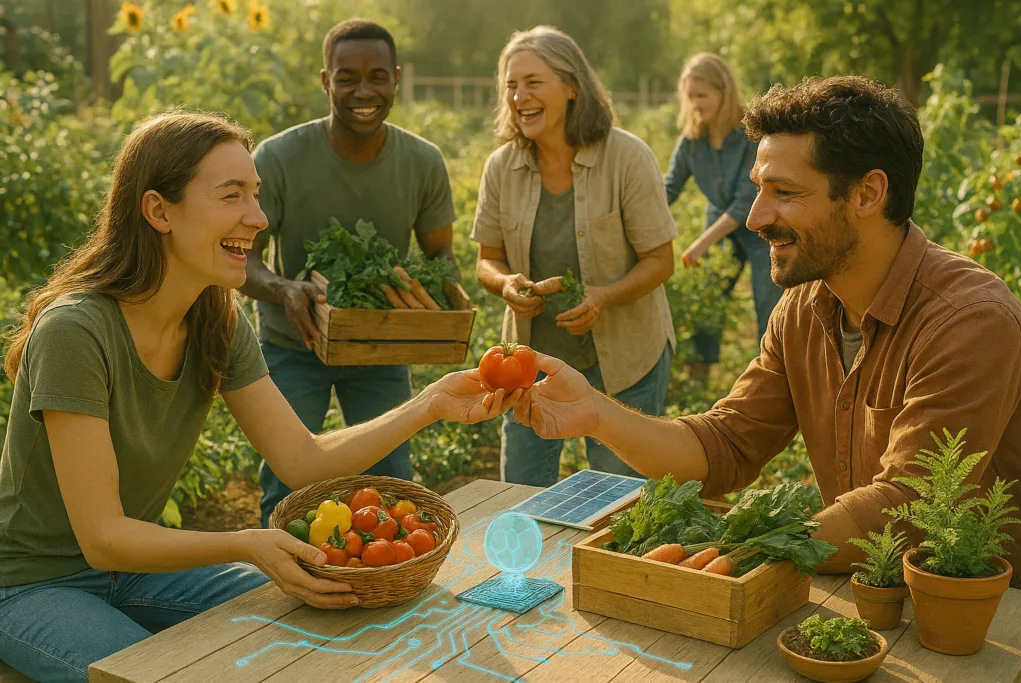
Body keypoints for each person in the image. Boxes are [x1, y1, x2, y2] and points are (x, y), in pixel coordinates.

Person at [0, 111, 514, 683]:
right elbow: (103, 539)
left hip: (139, 570)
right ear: (158, 211)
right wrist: (246, 543)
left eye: (256, 194)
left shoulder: (216, 319)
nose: (259, 217)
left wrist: (431, 403)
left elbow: (302, 460)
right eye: (231, 195)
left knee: (323, 618)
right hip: (32, 584)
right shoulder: (76, 331)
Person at [511, 76, 1021, 584]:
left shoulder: (968, 320)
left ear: (867, 193)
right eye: (759, 188)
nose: (755, 217)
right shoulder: (804, 308)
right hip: (868, 585)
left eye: (785, 192)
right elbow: (727, 446)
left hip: (988, 610)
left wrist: (743, 545)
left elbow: (907, 508)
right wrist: (595, 412)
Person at [240, 19, 458, 527]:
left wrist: (433, 300)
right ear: (326, 81)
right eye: (347, 78)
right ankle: (279, 573)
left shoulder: (422, 161)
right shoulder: (277, 158)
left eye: (378, 77)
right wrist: (284, 288)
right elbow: (244, 257)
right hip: (294, 343)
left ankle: (382, 568)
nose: (364, 91)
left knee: (391, 484)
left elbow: (440, 252)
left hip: (381, 348)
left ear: (396, 78)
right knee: (286, 488)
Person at [471, 26, 678, 488]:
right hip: (527, 367)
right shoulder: (501, 167)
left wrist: (604, 296)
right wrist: (505, 284)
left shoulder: (626, 157)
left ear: (571, 87)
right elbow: (487, 260)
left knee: (617, 496)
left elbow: (660, 260)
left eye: (533, 82)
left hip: (624, 359)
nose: (519, 97)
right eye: (511, 85)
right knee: (520, 492)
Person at [664, 53, 783, 382]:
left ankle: (774, 377)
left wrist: (700, 244)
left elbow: (747, 200)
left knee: (769, 303)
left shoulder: (750, 135)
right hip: (719, 222)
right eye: (690, 97)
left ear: (723, 91)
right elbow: (669, 188)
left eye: (702, 96)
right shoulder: (691, 141)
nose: (695, 105)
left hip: (761, 226)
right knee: (708, 298)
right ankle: (699, 377)